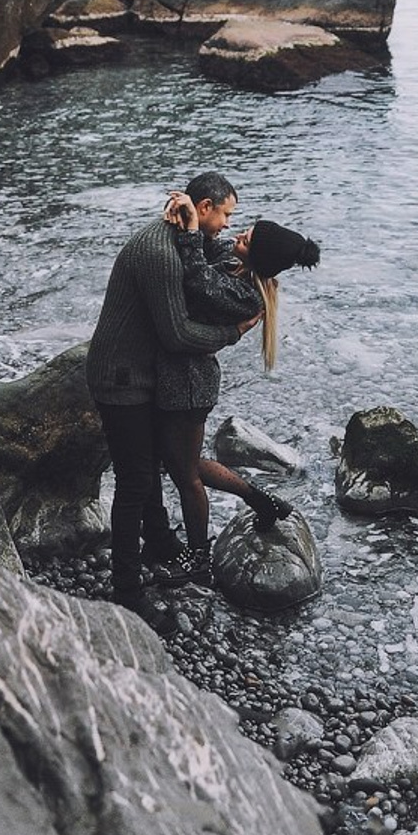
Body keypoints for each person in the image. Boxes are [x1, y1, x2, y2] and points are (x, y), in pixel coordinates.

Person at [85, 171, 260, 629]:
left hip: (138, 373)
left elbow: (220, 257)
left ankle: (160, 543)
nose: (226, 226)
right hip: (121, 376)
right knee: (135, 481)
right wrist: (233, 332)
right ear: (204, 208)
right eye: (225, 215)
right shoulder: (159, 253)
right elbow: (177, 333)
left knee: (147, 468)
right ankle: (126, 591)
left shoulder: (183, 237)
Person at [153, 191, 320, 587]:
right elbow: (210, 246)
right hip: (179, 376)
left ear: (256, 257)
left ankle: (199, 557)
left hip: (190, 387)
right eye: (243, 230)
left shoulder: (245, 296)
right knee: (180, 463)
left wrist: (193, 230)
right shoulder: (234, 259)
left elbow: (197, 279)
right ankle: (261, 500)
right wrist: (193, 214)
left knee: (186, 472)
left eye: (247, 238)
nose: (237, 234)